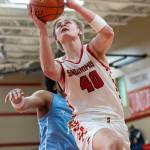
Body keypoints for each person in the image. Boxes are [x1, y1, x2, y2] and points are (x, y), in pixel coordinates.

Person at [28, 0, 130, 149]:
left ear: (79, 30)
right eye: (58, 26)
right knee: (114, 144)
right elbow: (49, 70)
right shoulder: (61, 65)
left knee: (118, 145)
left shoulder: (93, 51)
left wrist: (76, 6)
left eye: (68, 22)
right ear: (56, 38)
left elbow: (107, 33)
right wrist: (42, 30)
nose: (62, 24)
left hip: (116, 120)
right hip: (87, 122)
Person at [5, 76, 79, 150]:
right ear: (54, 85)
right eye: (62, 79)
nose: (67, 82)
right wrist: (18, 102)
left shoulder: (81, 105)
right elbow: (24, 105)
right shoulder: (47, 97)